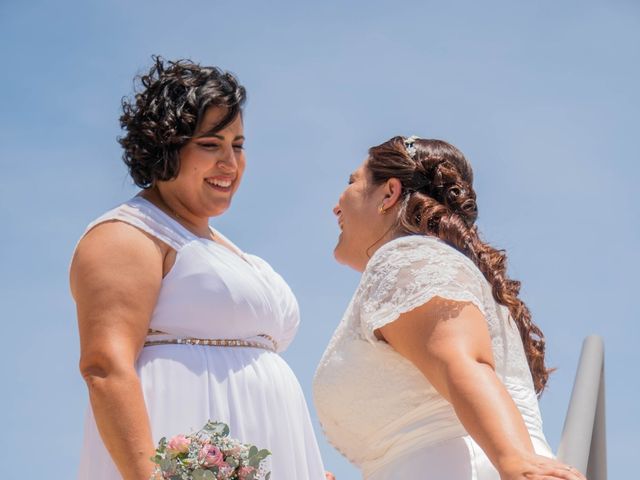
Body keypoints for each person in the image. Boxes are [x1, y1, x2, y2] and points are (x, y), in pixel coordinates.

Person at [71, 57, 326, 480]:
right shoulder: (127, 235)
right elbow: (105, 367)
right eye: (210, 144)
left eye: (238, 145)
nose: (231, 163)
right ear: (166, 145)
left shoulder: (221, 246)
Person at [313, 136, 587, 480]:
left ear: (388, 193)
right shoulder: (432, 267)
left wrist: (516, 460)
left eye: (352, 182)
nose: (336, 207)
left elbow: (460, 360)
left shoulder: (408, 258)